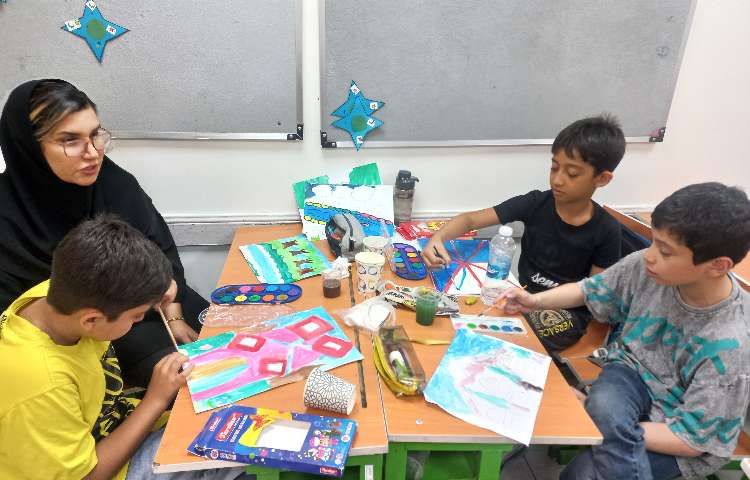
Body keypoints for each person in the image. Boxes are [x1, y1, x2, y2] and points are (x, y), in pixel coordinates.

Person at [496, 182, 750, 480]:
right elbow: (590, 290)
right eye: (653, 241)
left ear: (718, 266)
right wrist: (533, 301)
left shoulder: (731, 343)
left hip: (679, 434)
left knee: (584, 473)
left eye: (666, 252)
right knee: (604, 410)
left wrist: (604, 420)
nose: (649, 256)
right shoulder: (649, 267)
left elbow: (692, 441)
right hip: (630, 375)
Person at [0, 215, 245, 480]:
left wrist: (157, 287)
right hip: (101, 468)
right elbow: (88, 476)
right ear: (91, 320)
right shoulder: (43, 385)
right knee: (231, 441)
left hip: (112, 422)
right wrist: (156, 399)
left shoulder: (58, 295)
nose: (140, 320)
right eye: (137, 316)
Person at [0, 79, 206, 386]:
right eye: (70, 140)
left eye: (95, 134)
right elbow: (17, 326)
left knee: (240, 346)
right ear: (28, 146)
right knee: (199, 385)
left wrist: (173, 312)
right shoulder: (7, 218)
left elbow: (161, 249)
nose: (93, 152)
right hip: (97, 337)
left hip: (163, 304)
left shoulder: (113, 182)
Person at [423, 115, 626, 350]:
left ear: (602, 178)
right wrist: (438, 237)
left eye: (572, 173)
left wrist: (536, 302)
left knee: (501, 339)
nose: (557, 179)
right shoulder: (536, 203)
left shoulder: (606, 230)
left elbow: (594, 293)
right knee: (459, 319)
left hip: (566, 313)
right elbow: (470, 219)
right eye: (554, 167)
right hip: (520, 295)